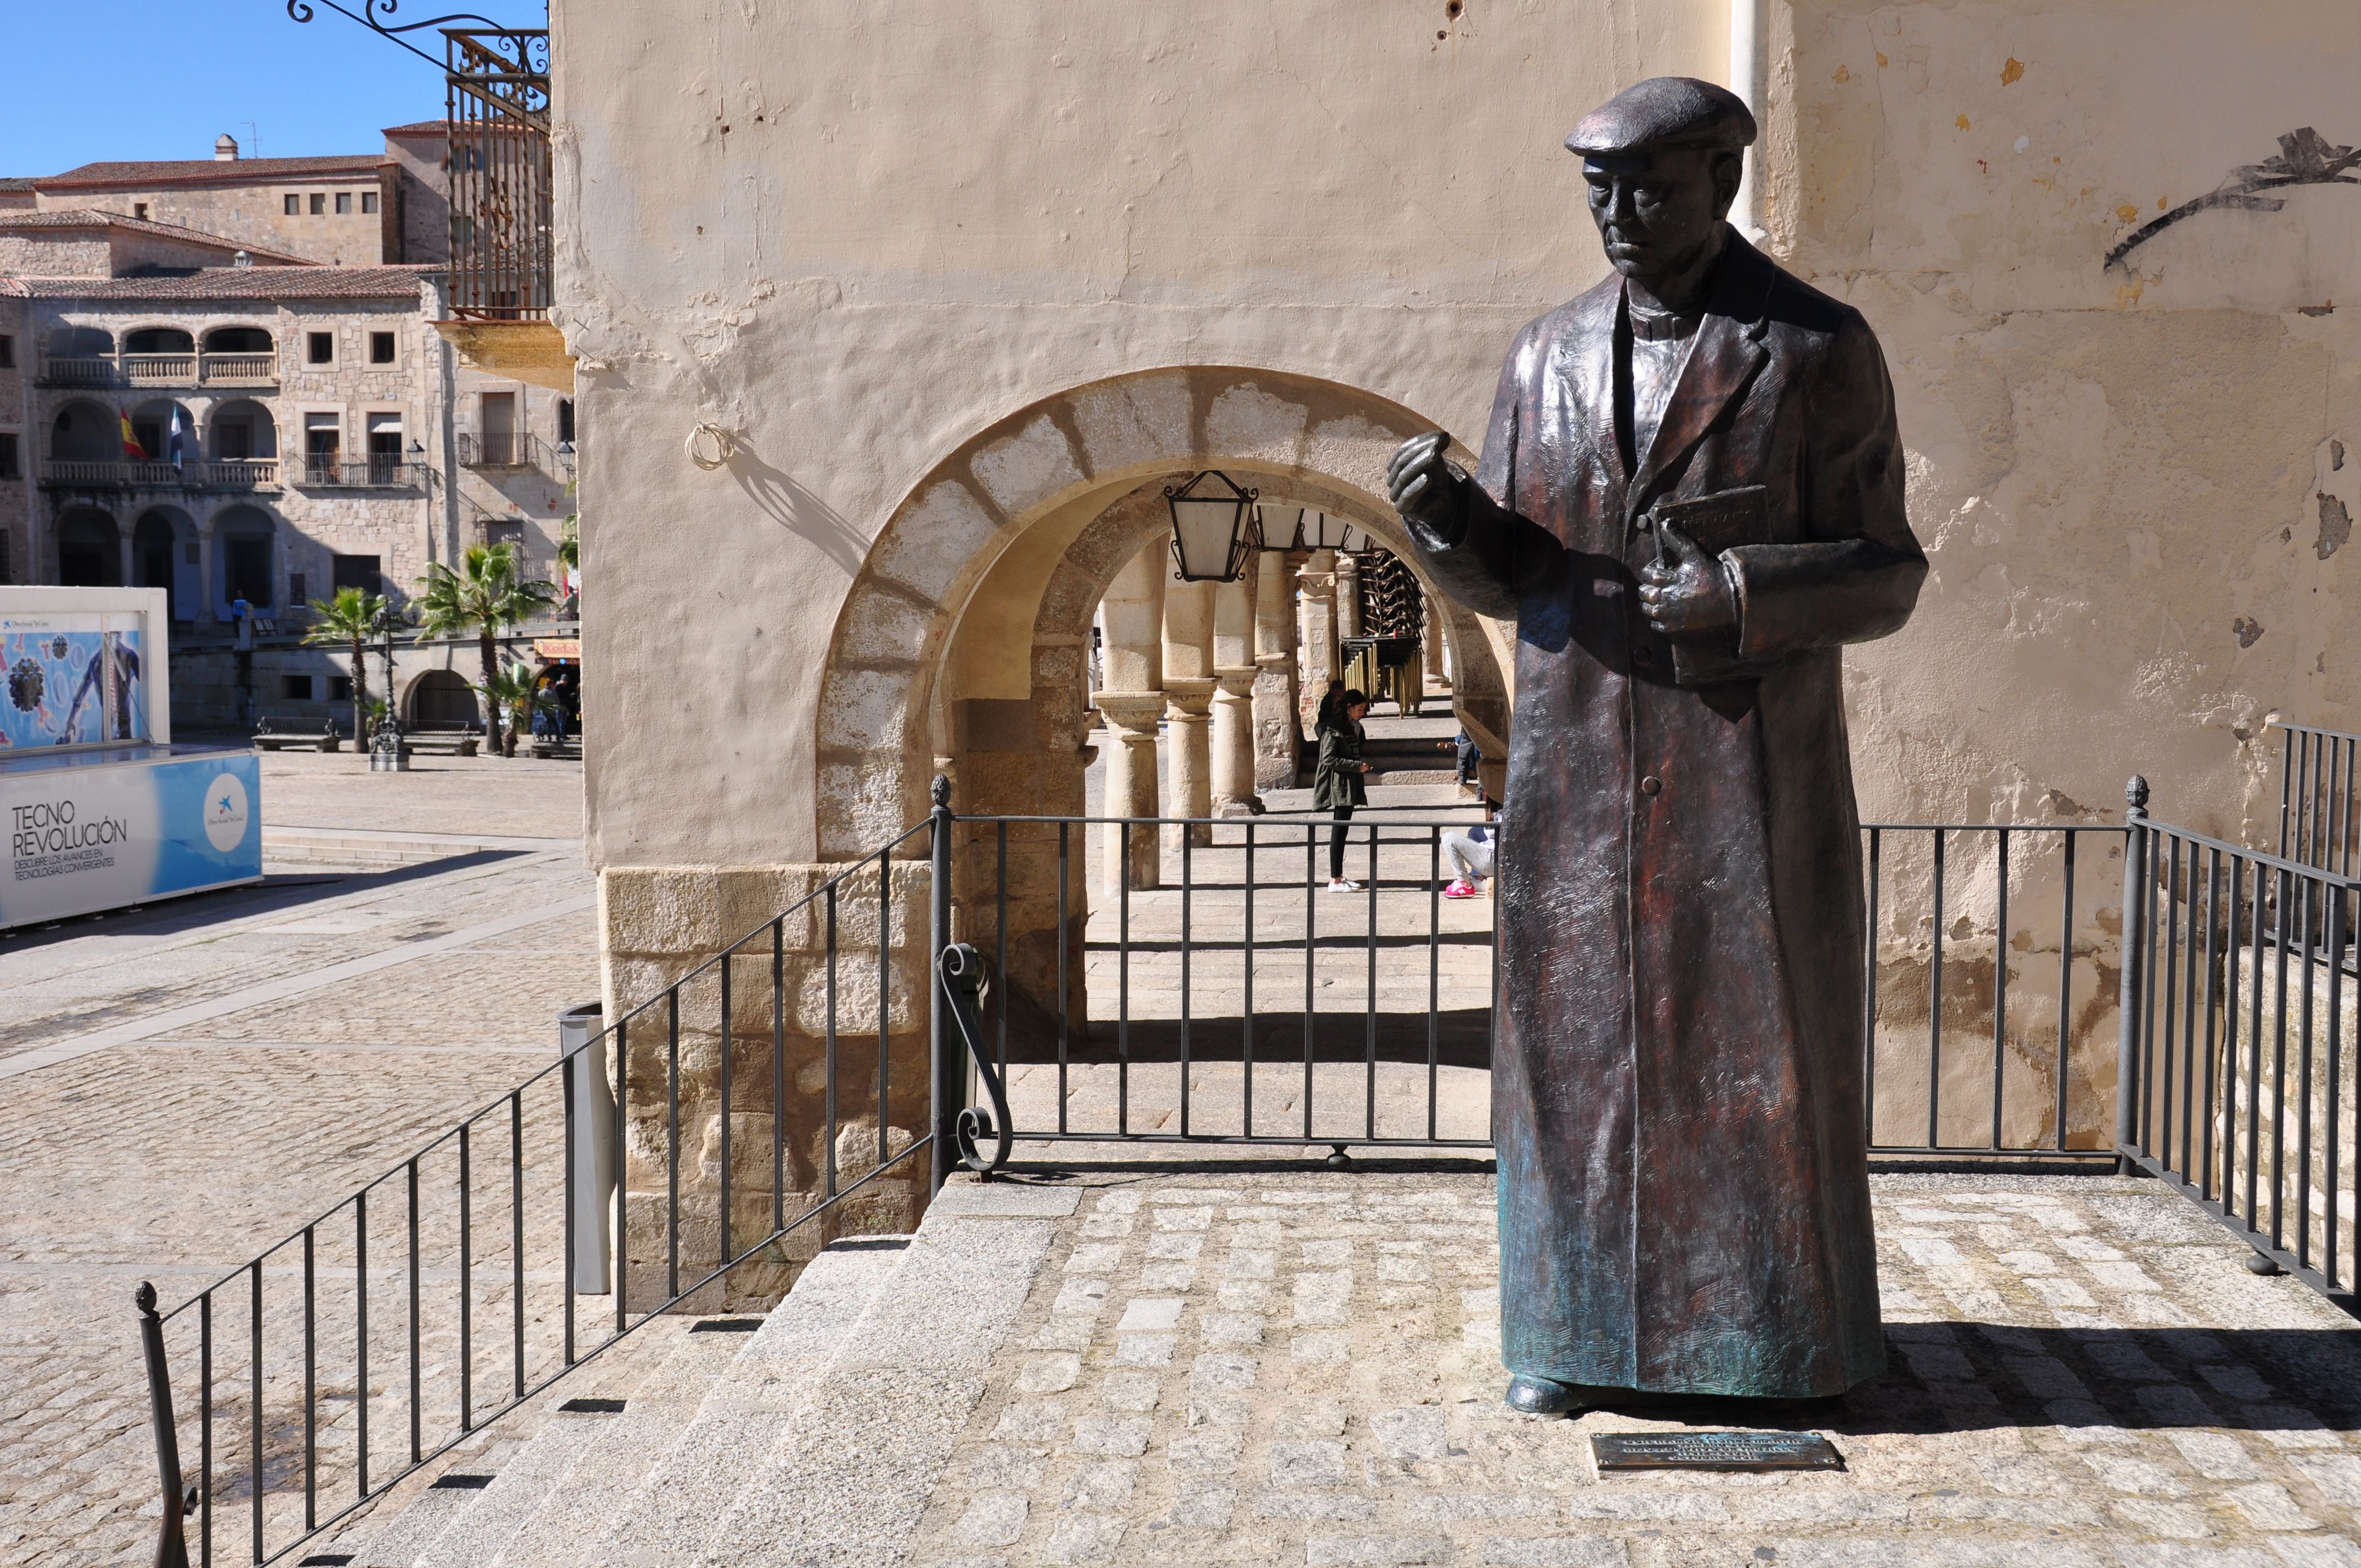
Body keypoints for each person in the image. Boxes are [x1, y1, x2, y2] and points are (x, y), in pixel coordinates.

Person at [1387, 78, 1926, 1415]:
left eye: (1651, 190)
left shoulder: (1810, 349)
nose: (1620, 218)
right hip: (1574, 776)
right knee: (1572, 1058)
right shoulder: (1542, 355)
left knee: (1755, 1061)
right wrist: (1452, 524)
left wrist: (1745, 593)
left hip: (1742, 774)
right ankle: (1569, 1330)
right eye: (1598, 192)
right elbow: (1521, 573)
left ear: (1719, 185)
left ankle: (1778, 1339)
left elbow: (1886, 571)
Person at [1313, 689, 1372, 891]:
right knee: (1338, 832)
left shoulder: (1348, 726)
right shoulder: (1333, 728)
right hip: (1341, 785)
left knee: (1343, 831)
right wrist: (1356, 767)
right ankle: (1335, 880)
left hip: (1349, 783)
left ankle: (1339, 875)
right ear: (1349, 708)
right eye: (1360, 709)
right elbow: (1328, 758)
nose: (1362, 713)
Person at [1440, 797, 1499, 898]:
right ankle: (1478, 878)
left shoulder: (1501, 813)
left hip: (1496, 860)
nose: (1481, 792)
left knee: (1449, 838)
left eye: (1483, 789)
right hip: (1499, 856)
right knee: (1475, 831)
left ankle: (1465, 884)